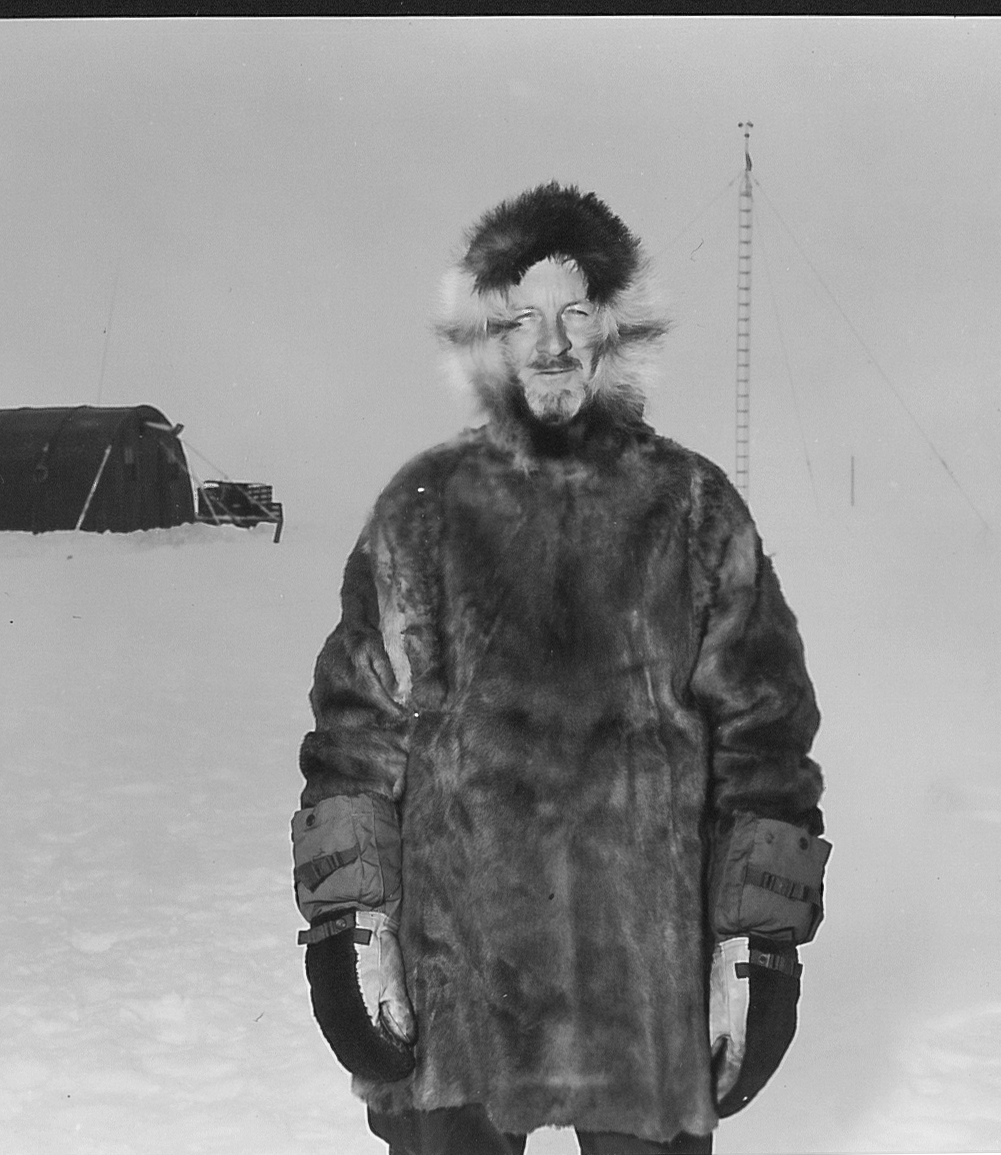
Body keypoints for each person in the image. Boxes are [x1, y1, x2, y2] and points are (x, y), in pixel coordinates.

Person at [291, 183, 829, 1155]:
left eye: (575, 313)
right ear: (489, 340)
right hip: (457, 989)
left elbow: (765, 740)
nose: (550, 344)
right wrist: (349, 925)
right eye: (522, 318)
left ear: (616, 331)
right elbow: (356, 739)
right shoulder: (422, 511)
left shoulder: (696, 511)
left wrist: (759, 947)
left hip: (641, 998)